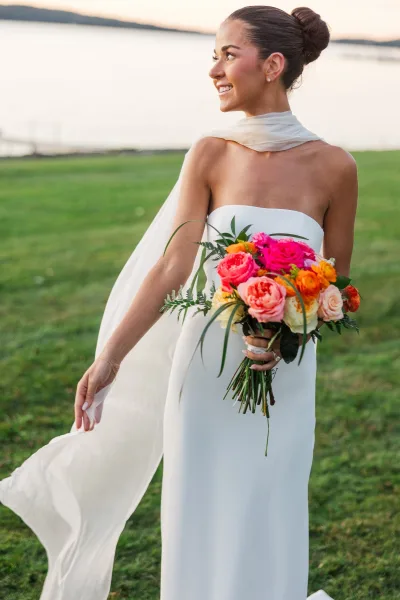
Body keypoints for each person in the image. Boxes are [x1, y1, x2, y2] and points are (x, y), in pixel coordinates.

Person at [0, 6, 358, 600]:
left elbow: (337, 286)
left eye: (226, 54)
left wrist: (284, 332)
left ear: (272, 66)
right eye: (212, 55)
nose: (214, 69)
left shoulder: (335, 167)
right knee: (198, 500)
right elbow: (172, 268)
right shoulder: (211, 153)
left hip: (284, 370)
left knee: (270, 498)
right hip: (205, 367)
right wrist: (110, 357)